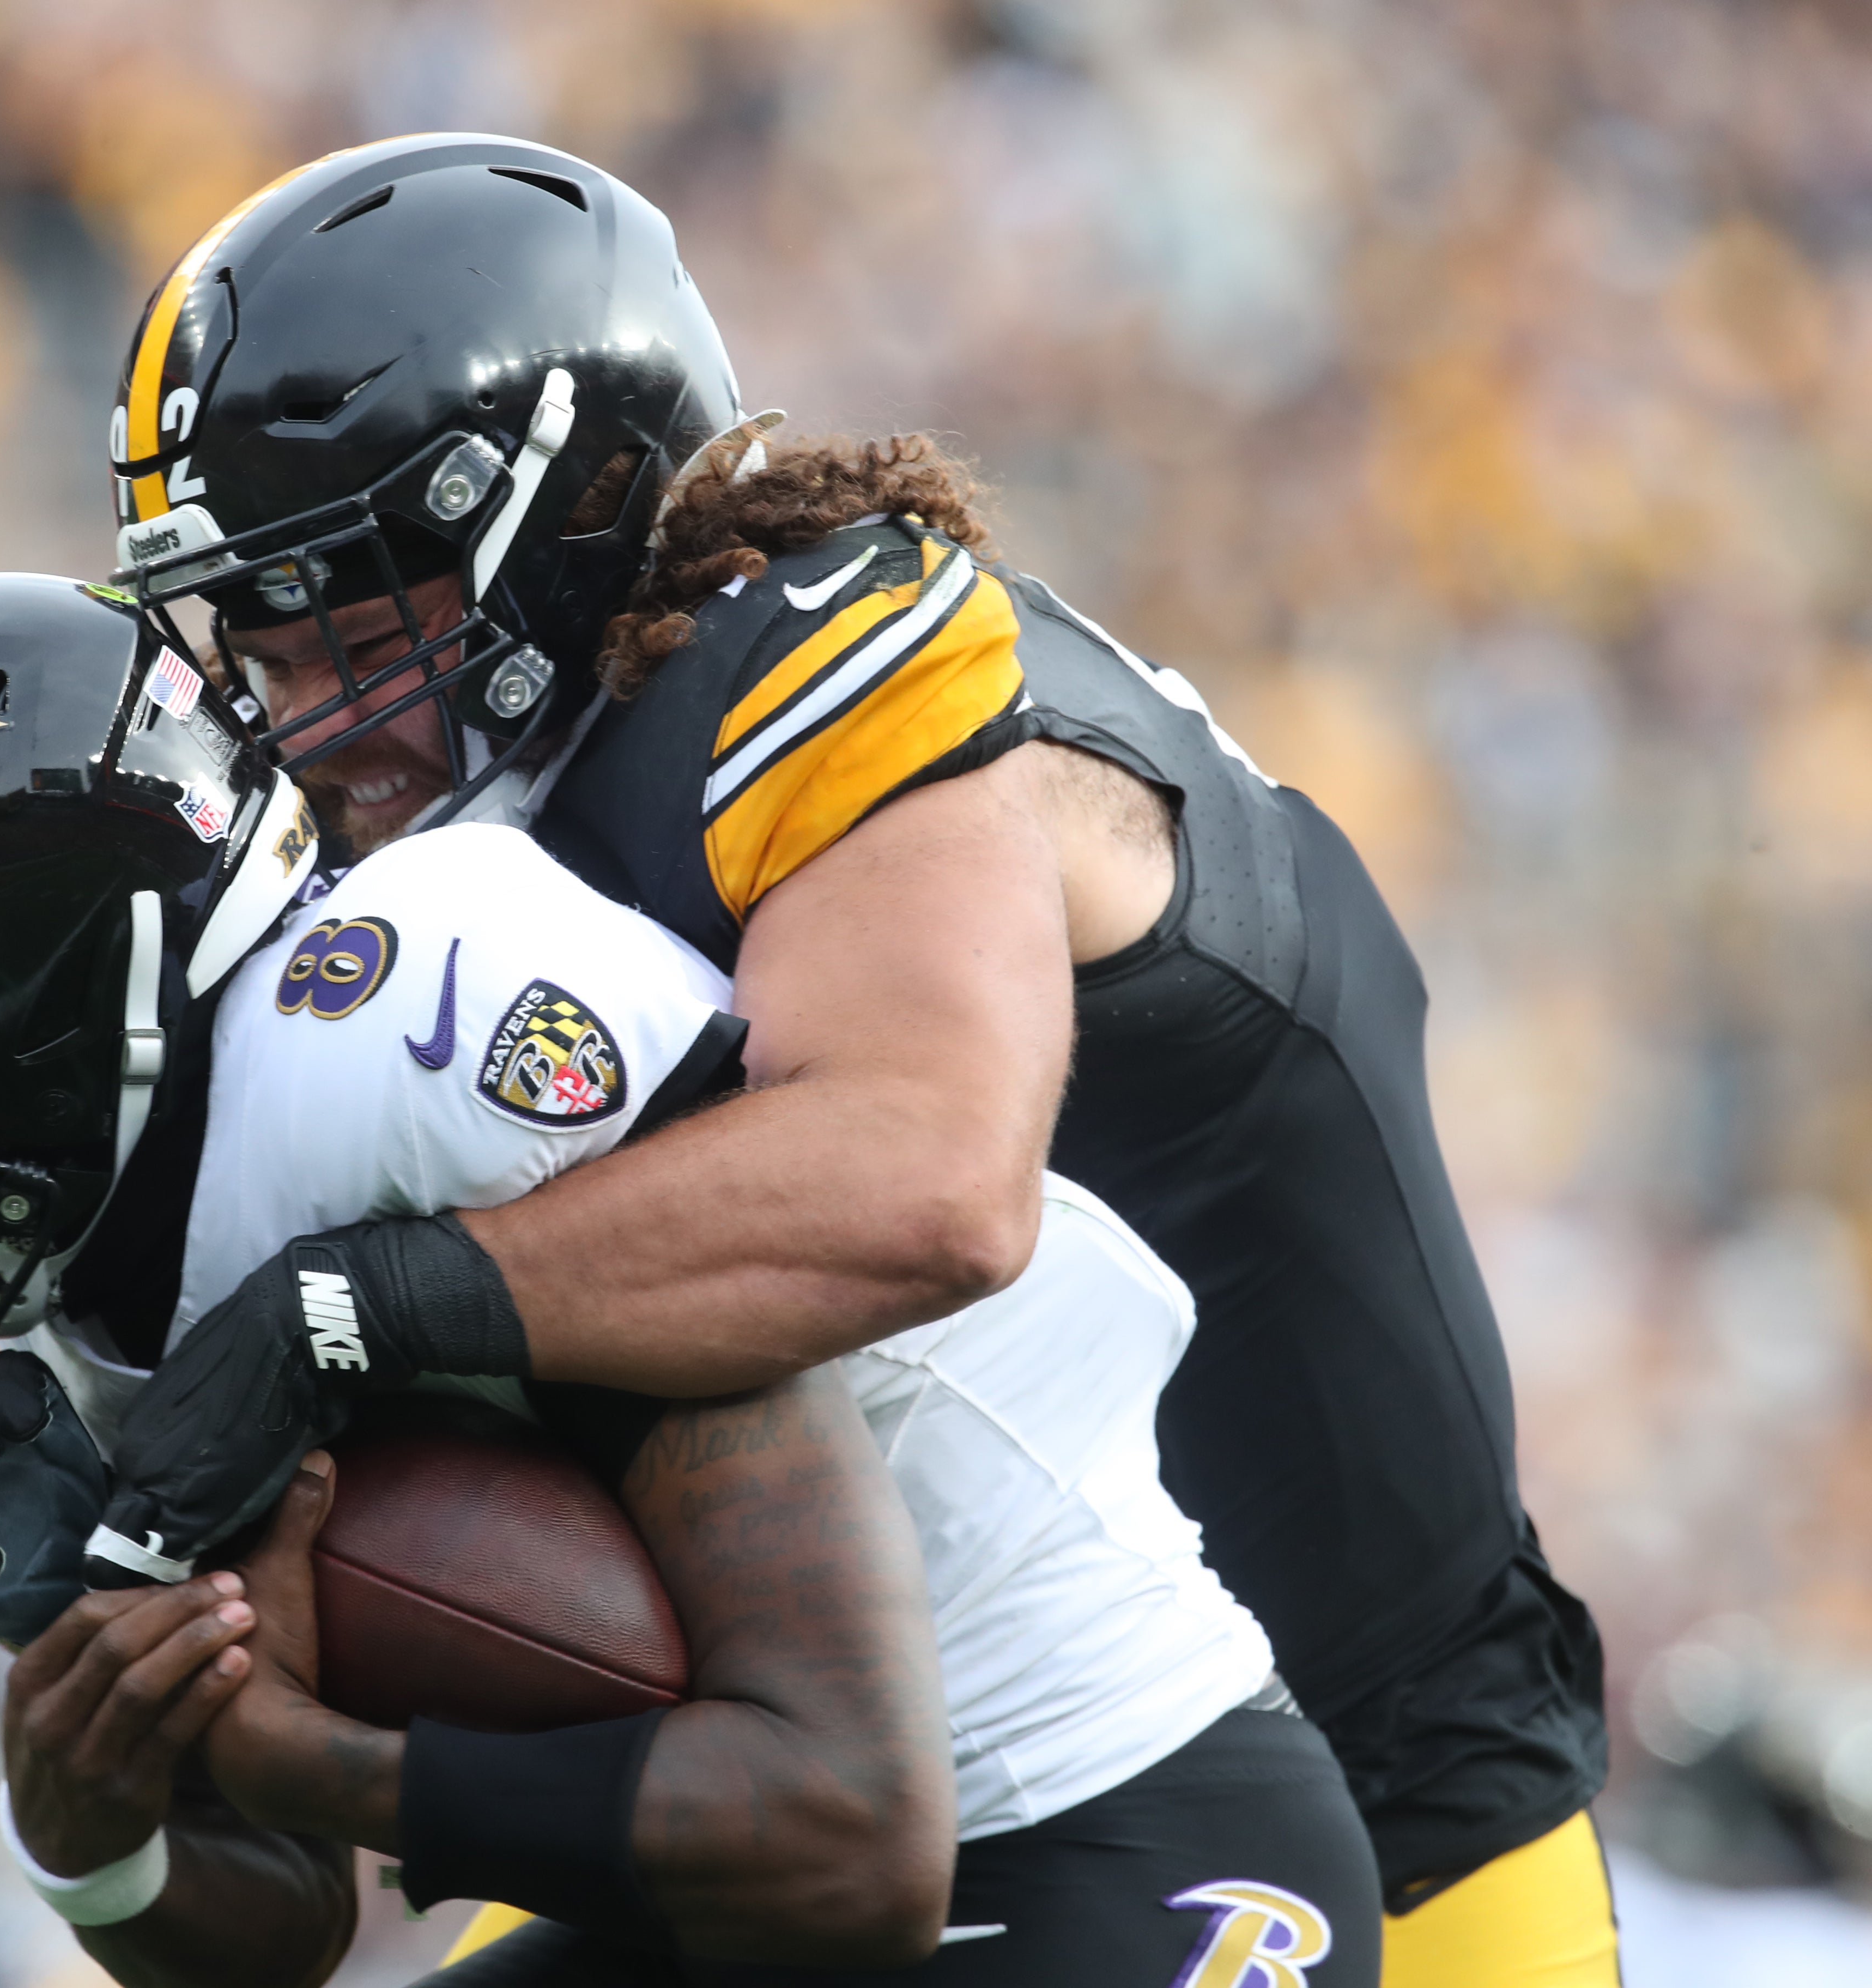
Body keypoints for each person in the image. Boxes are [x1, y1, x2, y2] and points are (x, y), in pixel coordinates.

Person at [89, 136, 1615, 1987]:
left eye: (341, 608)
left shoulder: (826, 654)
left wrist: (356, 1306)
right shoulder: (506, 825)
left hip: (1347, 1777)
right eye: (248, 631)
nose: (290, 705)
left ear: (553, 516)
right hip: (836, 1748)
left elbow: (928, 1184)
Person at [0, 575, 1381, 1984]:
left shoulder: (403, 1040)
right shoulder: (116, 1261)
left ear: (34, 999)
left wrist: (285, 1748)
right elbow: (287, 1933)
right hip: (748, 1915)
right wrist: (89, 1802)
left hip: (1116, 1832)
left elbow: (852, 1830)